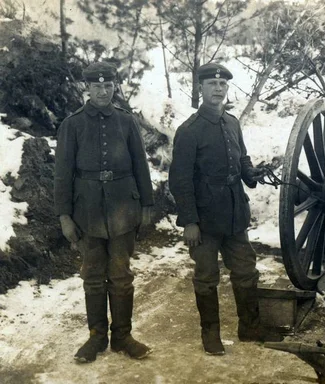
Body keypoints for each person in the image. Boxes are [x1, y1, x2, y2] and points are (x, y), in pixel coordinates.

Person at [168, 62, 282, 356]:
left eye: (222, 85)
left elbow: (241, 158)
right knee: (206, 276)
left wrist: (251, 173)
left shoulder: (232, 122)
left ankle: (250, 327)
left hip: (234, 214)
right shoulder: (189, 131)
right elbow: (180, 181)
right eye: (211, 85)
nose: (218, 90)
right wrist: (189, 222)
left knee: (245, 270)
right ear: (200, 89)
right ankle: (211, 334)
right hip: (205, 218)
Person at [54, 62, 154, 363]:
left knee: (122, 275)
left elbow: (140, 164)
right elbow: (62, 174)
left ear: (114, 86)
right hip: (87, 212)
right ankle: (97, 337)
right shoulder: (72, 125)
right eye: (97, 86)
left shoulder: (126, 122)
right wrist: (64, 215)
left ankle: (122, 336)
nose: (103, 90)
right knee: (93, 276)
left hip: (123, 209)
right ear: (88, 88)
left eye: (108, 85)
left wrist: (147, 204)